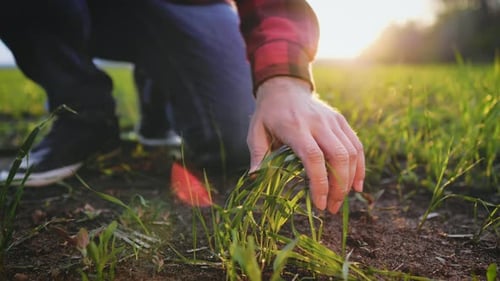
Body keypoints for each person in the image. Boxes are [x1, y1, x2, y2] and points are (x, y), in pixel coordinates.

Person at [0, 0, 365, 214]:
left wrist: (284, 79)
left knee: (241, 137)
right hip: (81, 10)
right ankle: (81, 111)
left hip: (189, 7)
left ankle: (157, 95)